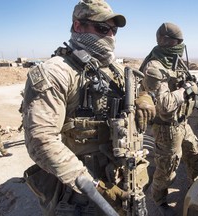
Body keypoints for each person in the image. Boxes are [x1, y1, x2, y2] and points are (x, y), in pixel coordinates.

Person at [21, 0, 155, 215]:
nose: (110, 36)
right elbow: (41, 140)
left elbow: (142, 87)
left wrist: (144, 97)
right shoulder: (56, 72)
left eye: (113, 30)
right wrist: (95, 188)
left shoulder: (115, 69)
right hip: (79, 190)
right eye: (102, 28)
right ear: (77, 26)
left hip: (120, 177)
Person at [139, 22, 198, 215]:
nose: (179, 46)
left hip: (182, 122)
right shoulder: (154, 67)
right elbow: (165, 106)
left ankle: (195, 187)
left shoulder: (173, 61)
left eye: (181, 42)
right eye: (176, 42)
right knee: (167, 170)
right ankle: (158, 200)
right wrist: (185, 91)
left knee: (194, 154)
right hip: (167, 128)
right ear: (165, 41)